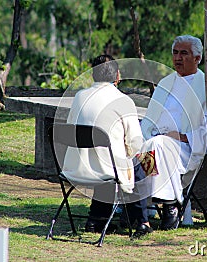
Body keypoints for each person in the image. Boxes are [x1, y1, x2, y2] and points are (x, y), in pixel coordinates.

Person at [62, 55, 152, 237]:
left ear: (93, 75)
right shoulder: (123, 101)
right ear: (117, 76)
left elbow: (71, 128)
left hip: (77, 168)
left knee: (104, 159)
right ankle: (143, 221)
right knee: (139, 164)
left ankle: (96, 219)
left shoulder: (79, 97)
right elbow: (135, 143)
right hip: (107, 171)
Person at [139, 35, 207, 230]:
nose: (178, 58)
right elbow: (150, 118)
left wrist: (182, 137)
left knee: (157, 146)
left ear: (197, 58)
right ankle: (160, 205)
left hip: (186, 146)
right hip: (157, 140)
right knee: (144, 145)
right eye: (175, 53)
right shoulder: (166, 82)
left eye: (184, 53)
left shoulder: (205, 86)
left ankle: (168, 205)